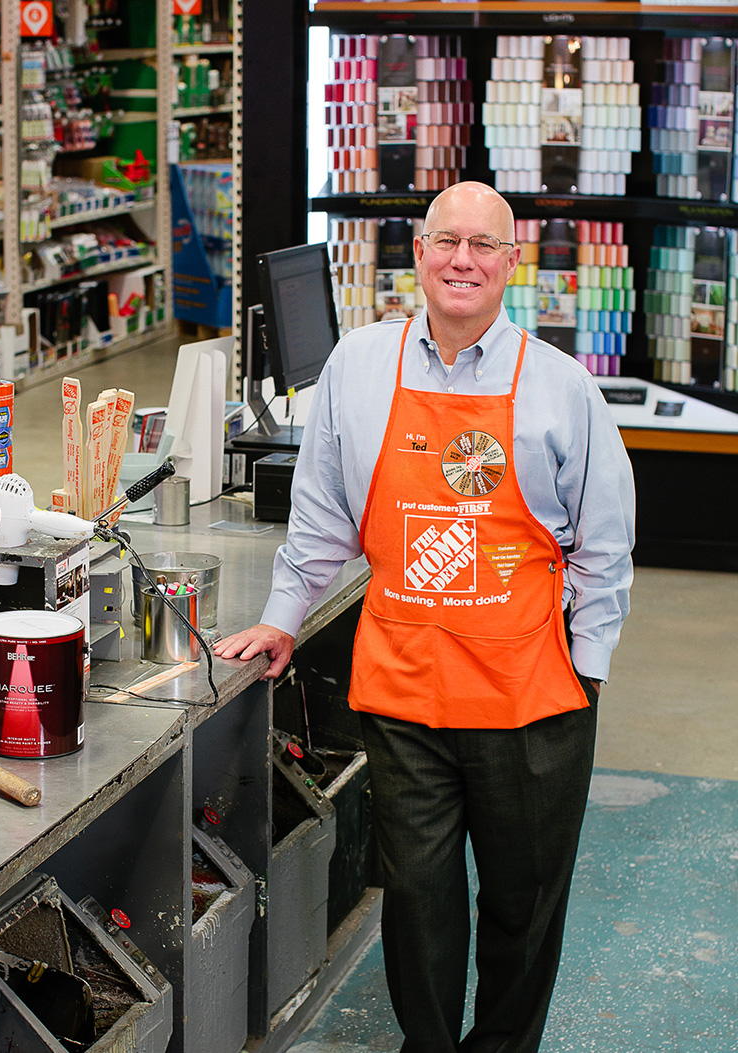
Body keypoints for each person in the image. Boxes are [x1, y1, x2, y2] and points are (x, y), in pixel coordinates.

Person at [214, 181, 635, 1053]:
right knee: (417, 897)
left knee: (524, 900)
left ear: (512, 264)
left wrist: (585, 671)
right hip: (405, 690)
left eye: (485, 246)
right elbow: (323, 514)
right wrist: (283, 618)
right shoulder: (360, 368)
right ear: (419, 251)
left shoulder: (563, 390)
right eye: (448, 241)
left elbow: (605, 545)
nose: (463, 261)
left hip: (532, 697)